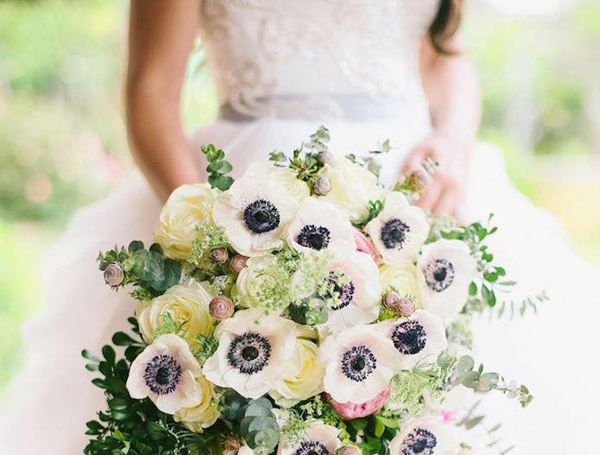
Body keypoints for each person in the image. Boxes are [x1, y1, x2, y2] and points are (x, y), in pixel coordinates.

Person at [0, 0, 598, 454]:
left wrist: (454, 145)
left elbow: (445, 57)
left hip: (413, 204)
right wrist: (216, 239)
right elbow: (151, 91)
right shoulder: (223, 230)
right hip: (241, 198)